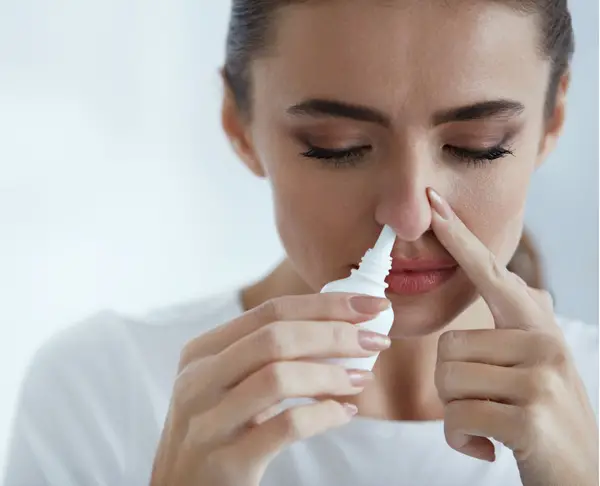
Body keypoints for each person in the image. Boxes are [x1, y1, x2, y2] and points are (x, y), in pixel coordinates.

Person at [3, 0, 598, 485]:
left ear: (553, 119)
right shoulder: (103, 389)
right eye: (335, 146)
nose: (410, 217)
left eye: (479, 144)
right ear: (240, 126)